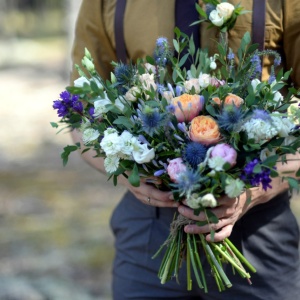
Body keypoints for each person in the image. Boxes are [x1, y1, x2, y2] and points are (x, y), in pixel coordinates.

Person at [70, 0, 300, 299]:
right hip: (147, 231)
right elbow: (80, 117)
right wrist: (130, 172)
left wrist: (254, 190)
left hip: (257, 234)